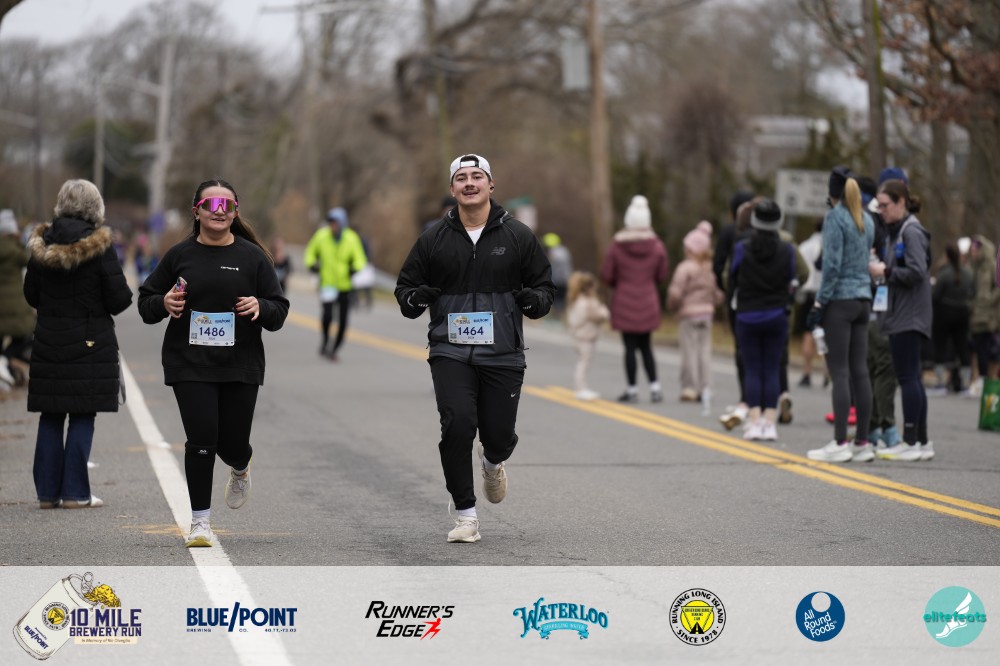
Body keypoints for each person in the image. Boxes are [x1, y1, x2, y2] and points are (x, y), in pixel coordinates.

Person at [394, 153, 554, 543]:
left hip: (503, 352)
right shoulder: (433, 238)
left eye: (477, 176)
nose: (470, 183)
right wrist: (417, 298)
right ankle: (466, 515)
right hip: (450, 350)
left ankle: (493, 461)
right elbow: (405, 290)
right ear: (452, 189)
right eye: (462, 178)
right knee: (457, 425)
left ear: (490, 185)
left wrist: (534, 301)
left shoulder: (517, 236)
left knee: (498, 434)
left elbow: (544, 288)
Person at [137, 179, 289, 547]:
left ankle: (240, 465)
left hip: (240, 363)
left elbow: (279, 310)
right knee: (202, 438)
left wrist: (261, 305)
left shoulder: (253, 258)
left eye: (227, 206)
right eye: (211, 205)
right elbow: (146, 303)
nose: (219, 212)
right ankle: (200, 523)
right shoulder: (179, 256)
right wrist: (163, 303)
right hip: (189, 363)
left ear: (236, 212)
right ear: (197, 211)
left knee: (232, 443)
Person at [23, 179, 133, 509]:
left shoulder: (42, 244)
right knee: (83, 414)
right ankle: (75, 492)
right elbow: (119, 299)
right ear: (95, 207)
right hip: (90, 343)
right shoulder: (100, 246)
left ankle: (46, 494)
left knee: (51, 415)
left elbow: (31, 294)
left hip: (48, 341)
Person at [805, 167, 875, 463]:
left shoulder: (835, 218)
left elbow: (831, 266)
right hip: (863, 300)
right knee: (860, 371)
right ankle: (862, 442)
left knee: (840, 372)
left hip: (840, 301)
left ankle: (839, 442)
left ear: (832, 193)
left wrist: (819, 303)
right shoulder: (867, 219)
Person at [869, 178, 933, 461]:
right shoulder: (897, 231)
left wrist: (885, 271)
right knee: (912, 378)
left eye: (885, 205)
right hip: (902, 313)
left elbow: (918, 271)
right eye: (879, 206)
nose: (882, 211)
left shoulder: (911, 231)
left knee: (907, 377)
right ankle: (922, 441)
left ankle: (910, 441)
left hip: (910, 315)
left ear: (901, 203)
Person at [729, 200, 798, 441]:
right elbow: (792, 278)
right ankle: (770, 422)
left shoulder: (742, 248)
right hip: (776, 313)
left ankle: (755, 420)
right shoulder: (787, 249)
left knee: (752, 368)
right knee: (771, 368)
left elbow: (732, 278)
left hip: (747, 314)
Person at [601, 194, 669, 403]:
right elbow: (662, 274)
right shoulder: (656, 246)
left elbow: (607, 274)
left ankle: (632, 389)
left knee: (629, 347)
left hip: (624, 300)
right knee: (647, 346)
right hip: (648, 299)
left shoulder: (617, 245)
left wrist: (620, 283)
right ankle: (655, 387)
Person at [667, 220, 723, 405]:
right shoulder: (710, 269)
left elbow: (676, 292)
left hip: (688, 315)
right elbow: (718, 293)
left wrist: (673, 306)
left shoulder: (685, 268)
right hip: (706, 314)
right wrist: (713, 304)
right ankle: (706, 387)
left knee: (689, 352)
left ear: (691, 249)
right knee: (704, 352)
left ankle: (690, 387)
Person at [304, 207, 367, 360]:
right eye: (331, 223)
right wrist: (312, 265)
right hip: (328, 285)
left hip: (345, 286)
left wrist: (354, 268)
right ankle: (325, 340)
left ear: (342, 223)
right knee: (327, 317)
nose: (333, 226)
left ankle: (334, 349)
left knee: (343, 322)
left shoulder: (351, 238)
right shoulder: (321, 236)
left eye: (335, 223)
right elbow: (310, 252)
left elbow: (360, 259)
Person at [714, 190, 754, 429]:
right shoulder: (774, 236)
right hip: (772, 302)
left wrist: (728, 290)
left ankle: (745, 399)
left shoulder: (731, 233)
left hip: (739, 300)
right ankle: (772, 399)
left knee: (742, 349)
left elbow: (719, 265)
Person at [930, 242, 974, 394]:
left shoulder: (944, 273)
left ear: (946, 255)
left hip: (944, 314)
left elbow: (935, 295)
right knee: (962, 348)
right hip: (962, 314)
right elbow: (972, 291)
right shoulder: (968, 272)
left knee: (940, 347)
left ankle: (940, 382)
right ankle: (965, 382)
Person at [0, 209, 34, 390]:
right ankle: (4, 359)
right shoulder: (15, 250)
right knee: (26, 333)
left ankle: (4, 366)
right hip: (14, 307)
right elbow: (28, 259)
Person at [566, 270, 609, 400]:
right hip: (586, 338)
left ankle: (581, 388)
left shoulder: (576, 300)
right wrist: (605, 311)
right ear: (590, 287)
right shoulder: (588, 303)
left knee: (582, 362)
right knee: (584, 363)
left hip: (577, 336)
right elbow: (599, 315)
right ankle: (581, 388)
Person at [968, 235, 999, 396]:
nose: (973, 253)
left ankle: (988, 381)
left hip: (989, 315)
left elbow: (998, 287)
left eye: (975, 250)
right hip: (976, 314)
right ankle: (980, 379)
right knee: (977, 347)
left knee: (989, 349)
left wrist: (989, 299)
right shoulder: (974, 268)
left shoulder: (992, 266)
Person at [794, 218, 823, 388]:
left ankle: (807, 372)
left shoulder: (805, 246)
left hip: (809, 294)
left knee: (808, 334)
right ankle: (828, 373)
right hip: (827, 295)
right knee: (826, 334)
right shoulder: (834, 245)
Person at [543, 232, 573, 316]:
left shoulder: (553, 253)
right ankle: (560, 314)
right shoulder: (564, 250)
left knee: (555, 299)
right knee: (561, 299)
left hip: (557, 280)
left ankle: (555, 315)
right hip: (566, 279)